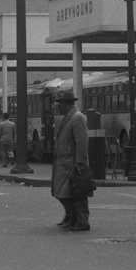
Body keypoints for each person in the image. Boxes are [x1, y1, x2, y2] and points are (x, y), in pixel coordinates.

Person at [51, 89, 90, 232]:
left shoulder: (77, 117)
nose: (58, 107)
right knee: (61, 193)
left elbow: (82, 142)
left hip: (72, 163)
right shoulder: (68, 117)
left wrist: (80, 162)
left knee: (75, 194)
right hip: (64, 163)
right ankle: (71, 217)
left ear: (66, 104)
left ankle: (80, 221)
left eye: (59, 104)